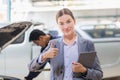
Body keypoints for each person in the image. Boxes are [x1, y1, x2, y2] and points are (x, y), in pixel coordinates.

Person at [29, 8, 103, 80]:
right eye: (61, 23)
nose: (66, 26)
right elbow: (31, 67)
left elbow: (99, 75)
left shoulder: (87, 44)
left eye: (68, 21)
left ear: (74, 21)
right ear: (58, 25)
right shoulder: (53, 44)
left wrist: (83, 70)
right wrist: (44, 55)